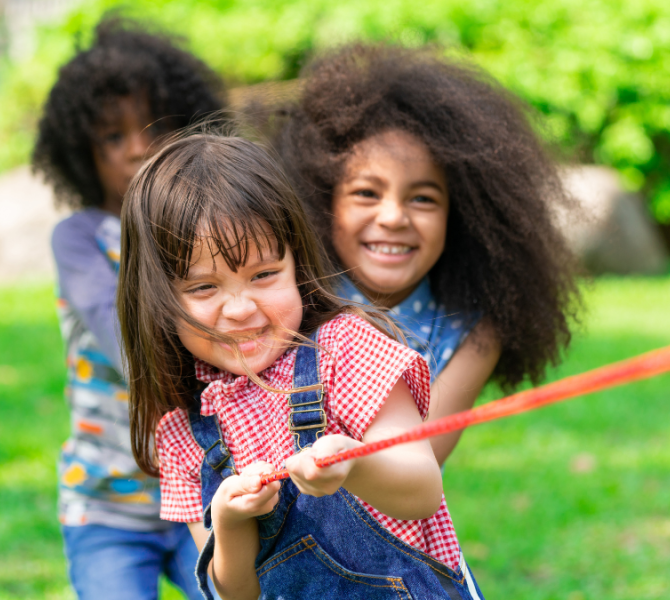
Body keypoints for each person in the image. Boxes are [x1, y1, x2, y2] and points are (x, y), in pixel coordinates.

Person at [117, 133, 486, 600]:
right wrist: (229, 522)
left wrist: (354, 466)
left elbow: (421, 488)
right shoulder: (182, 429)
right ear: (157, 300)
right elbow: (238, 593)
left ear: (297, 264)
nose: (239, 308)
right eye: (204, 288)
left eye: (264, 275)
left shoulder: (345, 349)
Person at [275, 44, 580, 463]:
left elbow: (420, 464)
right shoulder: (293, 295)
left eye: (423, 199)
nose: (394, 217)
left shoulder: (474, 332)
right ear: (322, 202)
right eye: (366, 192)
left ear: (465, 218)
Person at [32, 18, 223, 600]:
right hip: (108, 500)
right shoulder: (81, 238)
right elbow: (122, 340)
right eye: (113, 137)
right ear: (81, 155)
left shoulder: (210, 231)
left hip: (212, 490)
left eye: (152, 127)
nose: (138, 147)